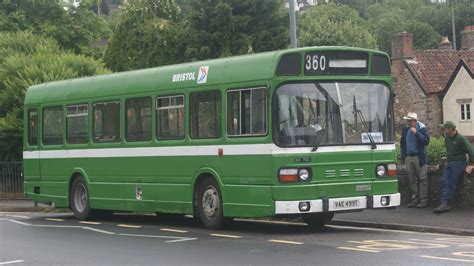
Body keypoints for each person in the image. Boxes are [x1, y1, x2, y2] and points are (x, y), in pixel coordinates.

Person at [434, 121, 474, 213]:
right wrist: (442, 161)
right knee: (445, 181)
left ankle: (447, 203)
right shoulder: (447, 138)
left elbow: (471, 151)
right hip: (449, 162)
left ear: (451, 129)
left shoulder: (461, 139)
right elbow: (447, 151)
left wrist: (471, 164)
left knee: (452, 182)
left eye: (445, 128)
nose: (444, 130)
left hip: (459, 162)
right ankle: (444, 203)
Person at [400, 112, 430, 208]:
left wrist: (416, 133)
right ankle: (415, 199)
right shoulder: (405, 129)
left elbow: (426, 141)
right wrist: (404, 155)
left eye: (409, 121)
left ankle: (424, 200)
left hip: (419, 157)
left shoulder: (421, 128)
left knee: (422, 178)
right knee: (412, 179)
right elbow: (402, 143)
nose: (408, 122)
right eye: (407, 120)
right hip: (409, 157)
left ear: (414, 121)